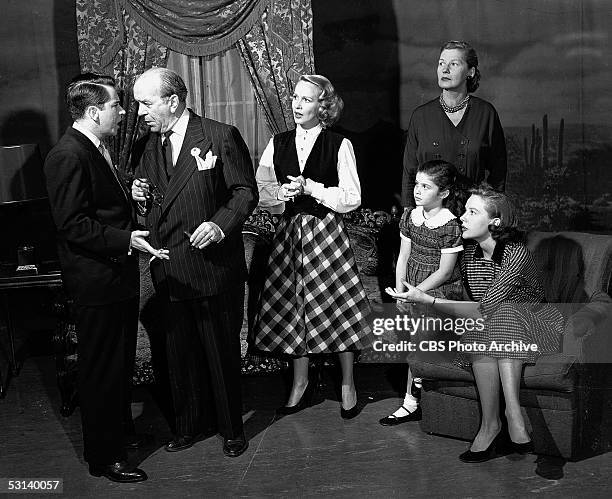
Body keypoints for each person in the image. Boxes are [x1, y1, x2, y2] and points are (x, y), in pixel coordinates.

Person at [44, 73, 168, 483]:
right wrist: (125, 238)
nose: (123, 111)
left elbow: (98, 203)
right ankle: (105, 458)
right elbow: (73, 224)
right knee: (100, 370)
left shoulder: (93, 147)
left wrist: (127, 195)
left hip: (114, 277)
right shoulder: (68, 154)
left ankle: (118, 436)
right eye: (116, 105)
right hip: (97, 281)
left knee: (117, 365)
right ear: (94, 112)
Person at [130, 68, 258, 458]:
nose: (139, 113)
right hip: (168, 268)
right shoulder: (144, 146)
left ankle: (231, 429)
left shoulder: (220, 135)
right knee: (178, 356)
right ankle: (188, 427)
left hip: (213, 268)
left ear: (173, 101)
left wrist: (219, 227)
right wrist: (138, 196)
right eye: (136, 103)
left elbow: (244, 192)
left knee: (220, 354)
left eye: (146, 103)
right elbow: (152, 203)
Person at [387, 187, 563, 463]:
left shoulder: (514, 254)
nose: (462, 217)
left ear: (496, 222)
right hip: (493, 327)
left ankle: (511, 414)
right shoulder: (469, 254)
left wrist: (426, 299)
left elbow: (486, 307)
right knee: (483, 326)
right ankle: (492, 425)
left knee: (504, 313)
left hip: (539, 327)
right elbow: (476, 310)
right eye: (464, 210)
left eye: (472, 212)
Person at [253, 74, 371, 419]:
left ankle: (348, 382)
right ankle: (300, 383)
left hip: (326, 232)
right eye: (294, 97)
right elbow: (262, 192)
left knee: (337, 306)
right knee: (293, 308)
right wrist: (281, 194)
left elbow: (352, 198)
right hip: (290, 233)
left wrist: (313, 188)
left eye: (306, 99)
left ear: (324, 106)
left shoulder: (338, 143)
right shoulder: (278, 142)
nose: (296, 104)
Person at [379, 160, 465, 426]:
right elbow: (403, 256)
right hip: (411, 288)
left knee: (423, 344)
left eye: (426, 186)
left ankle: (416, 401)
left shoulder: (449, 225)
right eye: (417, 184)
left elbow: (445, 272)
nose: (417, 190)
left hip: (437, 291)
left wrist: (417, 293)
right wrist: (400, 291)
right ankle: (411, 400)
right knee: (411, 344)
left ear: (444, 193)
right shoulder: (410, 216)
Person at [401, 40, 507, 213]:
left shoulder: (485, 113)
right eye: (441, 63)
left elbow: (499, 171)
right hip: (429, 217)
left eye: (454, 64)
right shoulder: (421, 116)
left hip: (470, 217)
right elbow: (409, 171)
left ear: (470, 72)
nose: (445, 69)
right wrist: (408, 213)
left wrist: (487, 210)